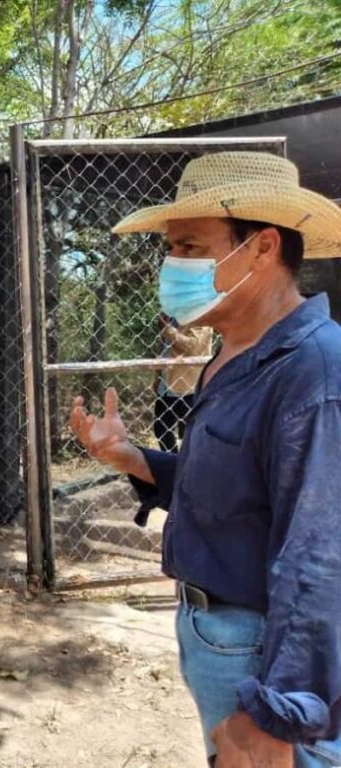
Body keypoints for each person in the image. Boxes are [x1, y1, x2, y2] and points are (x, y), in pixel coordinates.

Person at [69, 152, 341, 767]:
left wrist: (277, 714)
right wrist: (132, 457)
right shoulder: (234, 350)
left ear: (263, 248)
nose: (173, 265)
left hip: (261, 653)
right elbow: (230, 491)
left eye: (190, 246)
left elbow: (320, 555)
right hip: (215, 634)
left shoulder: (313, 372)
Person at [153, 314, 213, 452]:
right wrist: (157, 376)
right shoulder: (173, 316)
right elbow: (163, 349)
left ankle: (188, 465)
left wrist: (168, 330)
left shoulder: (202, 316)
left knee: (189, 433)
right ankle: (174, 463)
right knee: (161, 429)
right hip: (167, 382)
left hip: (188, 385)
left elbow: (194, 347)